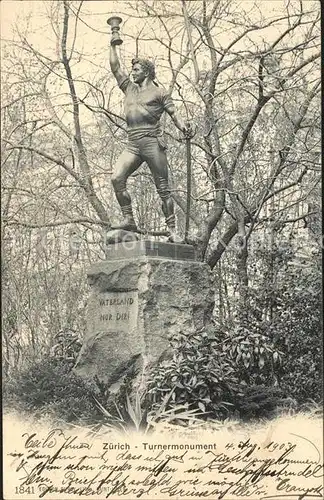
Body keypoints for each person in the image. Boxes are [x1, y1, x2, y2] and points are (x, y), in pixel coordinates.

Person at [109, 42, 192, 242]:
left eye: (136, 70)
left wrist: (184, 128)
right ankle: (129, 219)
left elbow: (174, 114)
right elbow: (115, 68)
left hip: (152, 142)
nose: (132, 72)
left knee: (163, 189)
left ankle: (172, 230)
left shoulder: (160, 93)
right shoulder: (129, 88)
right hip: (133, 143)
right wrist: (113, 44)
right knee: (117, 178)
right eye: (132, 69)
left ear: (146, 72)